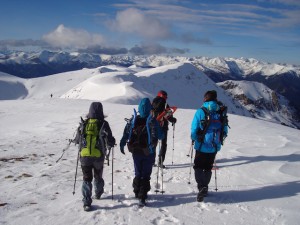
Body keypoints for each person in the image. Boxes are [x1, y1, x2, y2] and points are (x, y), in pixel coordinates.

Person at [120, 98, 164, 206]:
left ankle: (137, 191)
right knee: (146, 174)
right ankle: (142, 196)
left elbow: (125, 134)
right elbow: (161, 136)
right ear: (150, 108)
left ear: (139, 108)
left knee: (138, 172)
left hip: (135, 151)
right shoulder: (153, 121)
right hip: (149, 151)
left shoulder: (133, 120)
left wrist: (122, 144)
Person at [74, 102, 115, 211]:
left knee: (87, 178)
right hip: (98, 156)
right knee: (98, 176)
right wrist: (112, 143)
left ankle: (87, 202)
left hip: (85, 156)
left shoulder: (84, 123)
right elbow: (110, 140)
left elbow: (78, 139)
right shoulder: (103, 124)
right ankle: (98, 193)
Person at [190, 90, 228, 202]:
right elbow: (224, 129)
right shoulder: (220, 111)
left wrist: (194, 138)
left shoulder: (200, 111)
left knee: (198, 166)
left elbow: (194, 128)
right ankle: (205, 186)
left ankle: (201, 186)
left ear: (205, 98)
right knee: (207, 167)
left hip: (201, 145)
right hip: (214, 146)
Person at [152, 90, 177, 168]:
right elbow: (168, 116)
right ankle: (160, 162)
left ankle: (151, 161)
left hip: (153, 126)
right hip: (163, 126)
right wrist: (173, 120)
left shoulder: (152, 103)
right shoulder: (165, 104)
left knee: (153, 144)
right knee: (163, 144)